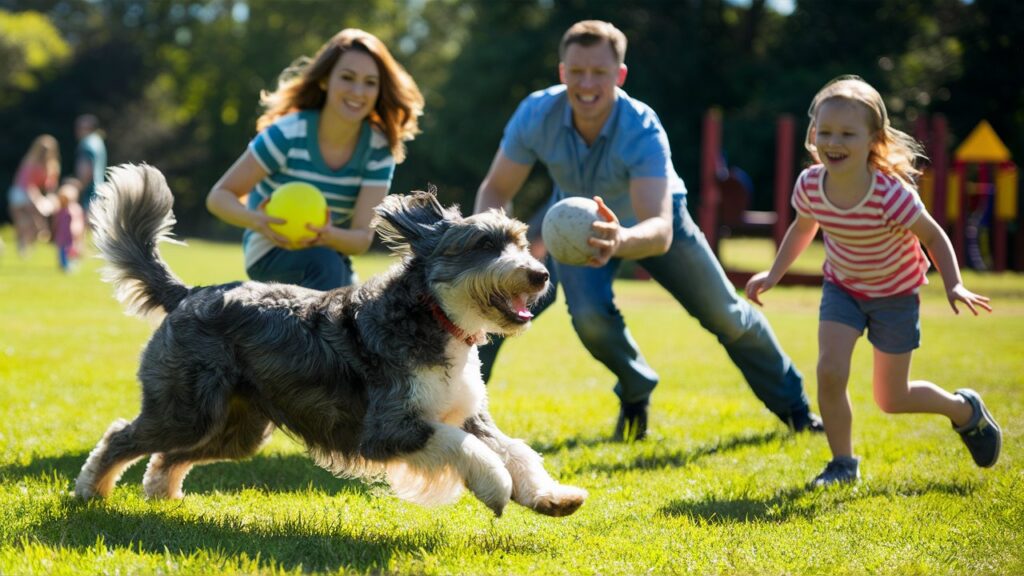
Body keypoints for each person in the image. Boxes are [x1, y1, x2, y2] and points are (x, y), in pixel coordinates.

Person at [474, 20, 821, 441]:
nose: (586, 83)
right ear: (562, 72)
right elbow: (496, 187)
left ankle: (796, 411)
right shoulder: (535, 113)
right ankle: (634, 389)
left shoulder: (640, 126)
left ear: (619, 76)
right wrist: (491, 245)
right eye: (576, 72)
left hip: (656, 224)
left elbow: (658, 228)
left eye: (599, 72)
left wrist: (619, 239)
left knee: (725, 316)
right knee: (585, 317)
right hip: (577, 231)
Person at [744, 76, 999, 486]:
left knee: (891, 398)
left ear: (873, 139)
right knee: (829, 371)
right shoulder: (810, 184)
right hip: (842, 289)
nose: (834, 141)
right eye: (825, 132)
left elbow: (933, 235)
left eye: (847, 133)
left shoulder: (889, 194)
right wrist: (773, 273)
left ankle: (964, 411)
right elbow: (802, 228)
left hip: (896, 296)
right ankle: (843, 463)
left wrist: (954, 283)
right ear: (813, 135)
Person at [207, 28, 423, 290]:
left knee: (360, 303)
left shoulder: (378, 150)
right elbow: (219, 197)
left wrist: (328, 235)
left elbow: (360, 239)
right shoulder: (287, 134)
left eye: (370, 82)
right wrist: (258, 221)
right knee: (327, 268)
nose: (358, 91)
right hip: (269, 254)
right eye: (347, 77)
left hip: (331, 254)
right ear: (324, 80)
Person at [7, 134, 60, 256]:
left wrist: (48, 198)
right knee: (25, 221)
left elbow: (50, 186)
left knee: (32, 221)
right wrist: (36, 201)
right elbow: (26, 186)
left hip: (34, 194)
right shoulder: (29, 163)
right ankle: (24, 245)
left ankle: (29, 244)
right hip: (21, 194)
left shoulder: (52, 166)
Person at [74, 114, 107, 218]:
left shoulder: (86, 143)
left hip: (89, 193)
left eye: (79, 127)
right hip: (99, 190)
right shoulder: (98, 141)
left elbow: (86, 171)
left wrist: (77, 188)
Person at [52, 177, 86, 272]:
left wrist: (79, 232)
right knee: (62, 250)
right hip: (63, 234)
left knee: (72, 250)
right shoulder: (60, 210)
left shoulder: (75, 209)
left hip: (72, 234)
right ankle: (64, 265)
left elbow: (79, 221)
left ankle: (71, 264)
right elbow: (56, 222)